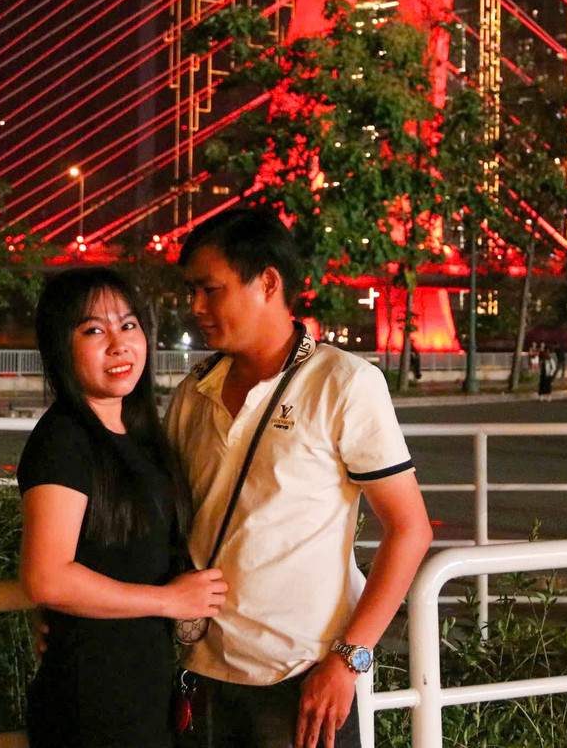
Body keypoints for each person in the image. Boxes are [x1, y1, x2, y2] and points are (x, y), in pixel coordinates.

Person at [169, 208, 432, 748]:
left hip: (302, 681)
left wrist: (349, 659)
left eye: (210, 289)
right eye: (192, 291)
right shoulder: (193, 392)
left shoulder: (344, 383)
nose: (195, 306)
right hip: (199, 674)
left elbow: (410, 530)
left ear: (268, 282)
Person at [18, 268, 224, 748]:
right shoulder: (64, 440)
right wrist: (169, 601)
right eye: (94, 331)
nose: (119, 345)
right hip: (92, 701)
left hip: (139, 690)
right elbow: (46, 577)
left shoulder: (138, 435)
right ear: (60, 348)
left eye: (129, 325)